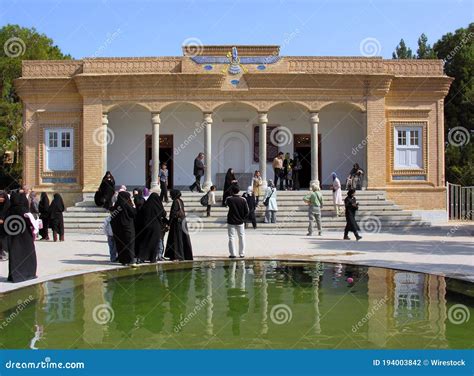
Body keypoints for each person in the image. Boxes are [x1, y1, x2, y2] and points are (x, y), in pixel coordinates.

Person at [6, 192, 38, 283]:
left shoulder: (9, 210)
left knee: (15, 255)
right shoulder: (24, 211)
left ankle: (14, 276)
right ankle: (27, 274)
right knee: (27, 255)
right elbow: (31, 223)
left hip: (13, 237)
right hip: (25, 237)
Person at [136, 192, 168, 263]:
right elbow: (164, 214)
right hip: (156, 227)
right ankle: (152, 258)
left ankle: (141, 258)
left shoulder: (146, 205)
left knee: (145, 242)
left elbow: (141, 213)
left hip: (147, 226)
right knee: (154, 243)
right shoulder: (159, 206)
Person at [165, 190, 193, 261]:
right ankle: (184, 255)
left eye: (171, 194)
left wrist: (169, 223)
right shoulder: (180, 201)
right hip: (182, 221)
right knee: (182, 238)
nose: (170, 196)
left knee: (177, 239)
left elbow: (173, 214)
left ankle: (178, 256)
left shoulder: (175, 202)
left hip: (177, 223)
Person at [110, 191, 137, 265]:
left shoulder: (117, 205)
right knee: (130, 244)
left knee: (120, 245)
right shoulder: (127, 205)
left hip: (118, 230)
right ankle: (131, 260)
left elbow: (112, 217)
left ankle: (123, 260)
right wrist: (134, 206)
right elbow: (133, 213)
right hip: (128, 228)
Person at [225, 185, 249, 258]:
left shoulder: (229, 199)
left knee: (231, 237)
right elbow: (247, 211)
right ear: (239, 191)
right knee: (241, 237)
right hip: (240, 221)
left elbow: (225, 203)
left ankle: (233, 254)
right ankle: (242, 253)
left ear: (232, 191)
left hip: (231, 221)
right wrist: (243, 218)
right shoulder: (243, 199)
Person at [0, 191, 10, 261]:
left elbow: (9, 215)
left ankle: (5, 255)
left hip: (5, 226)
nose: (1, 199)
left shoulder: (8, 205)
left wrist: (3, 220)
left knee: (4, 240)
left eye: (2, 197)